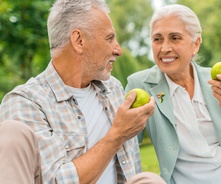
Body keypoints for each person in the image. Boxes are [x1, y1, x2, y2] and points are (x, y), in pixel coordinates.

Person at [0, 0, 166, 183]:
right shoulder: (26, 102)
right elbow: (55, 180)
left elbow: (131, 167)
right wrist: (117, 134)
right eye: (109, 39)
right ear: (79, 41)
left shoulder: (113, 89)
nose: (118, 50)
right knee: (11, 129)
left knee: (150, 180)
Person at [125, 4, 221, 184]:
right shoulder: (140, 85)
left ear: (196, 44)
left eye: (175, 38)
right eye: (157, 39)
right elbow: (124, 144)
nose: (164, 48)